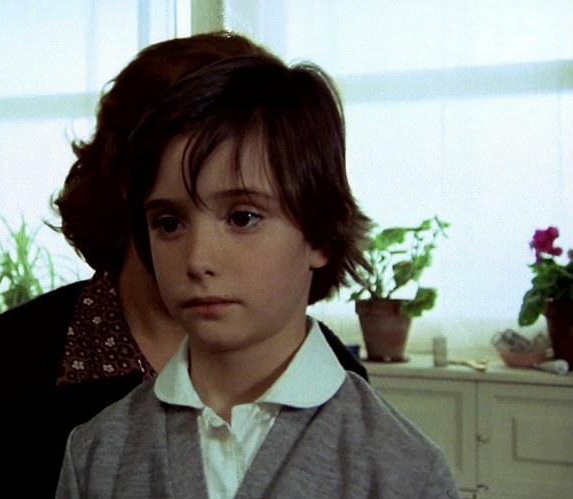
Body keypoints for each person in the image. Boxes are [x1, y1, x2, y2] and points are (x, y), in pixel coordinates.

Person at [0, 32, 368, 498]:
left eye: (242, 214)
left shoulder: (336, 378)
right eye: (174, 214)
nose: (203, 255)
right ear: (127, 175)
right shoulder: (4, 367)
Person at [55, 55, 459, 498]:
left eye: (243, 217)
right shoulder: (96, 453)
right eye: (169, 223)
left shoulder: (404, 472)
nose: (197, 260)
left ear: (321, 234)